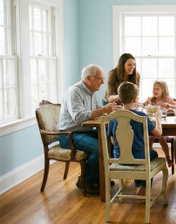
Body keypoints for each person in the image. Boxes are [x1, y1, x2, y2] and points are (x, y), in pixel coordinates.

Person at [58, 64, 118, 194]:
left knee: (111, 143)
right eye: (100, 78)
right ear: (88, 78)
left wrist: (111, 110)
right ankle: (85, 181)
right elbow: (79, 118)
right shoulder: (74, 92)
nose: (102, 82)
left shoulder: (91, 92)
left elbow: (96, 110)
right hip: (68, 135)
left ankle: (99, 177)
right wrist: (102, 110)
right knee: (99, 148)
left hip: (85, 131)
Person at [107, 82, 162, 196]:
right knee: (153, 154)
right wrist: (158, 119)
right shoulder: (141, 116)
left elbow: (112, 141)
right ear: (135, 98)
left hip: (119, 158)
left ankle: (139, 185)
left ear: (119, 98)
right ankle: (142, 186)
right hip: (139, 157)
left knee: (145, 154)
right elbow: (158, 133)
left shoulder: (113, 117)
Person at [145, 80, 176, 167]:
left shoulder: (167, 99)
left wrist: (169, 105)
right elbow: (143, 105)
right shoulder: (151, 99)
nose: (155, 91)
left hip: (163, 126)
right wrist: (144, 104)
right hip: (152, 125)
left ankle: (168, 158)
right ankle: (151, 159)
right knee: (149, 139)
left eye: (157, 89)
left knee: (161, 139)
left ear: (163, 90)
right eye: (154, 89)